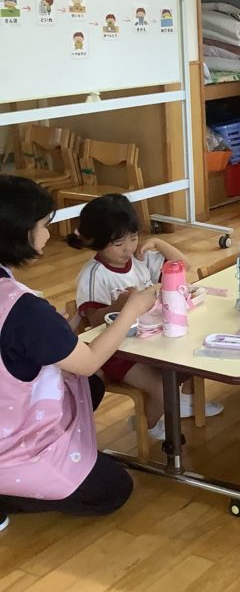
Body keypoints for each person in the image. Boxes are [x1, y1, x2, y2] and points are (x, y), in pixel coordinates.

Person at [0, 176, 158, 527]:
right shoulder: (23, 308)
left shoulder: (19, 304)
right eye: (44, 226)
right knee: (114, 489)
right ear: (18, 232)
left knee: (90, 388)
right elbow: (86, 363)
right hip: (10, 443)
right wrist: (132, 308)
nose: (47, 236)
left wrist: (59, 329)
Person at [70, 194, 223, 440]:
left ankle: (185, 402)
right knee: (162, 387)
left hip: (150, 337)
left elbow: (183, 265)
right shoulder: (95, 274)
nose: (128, 248)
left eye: (133, 238)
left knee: (195, 354)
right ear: (97, 242)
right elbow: (94, 320)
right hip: (116, 351)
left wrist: (158, 243)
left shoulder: (139, 258)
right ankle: (147, 425)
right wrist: (120, 305)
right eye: (118, 243)